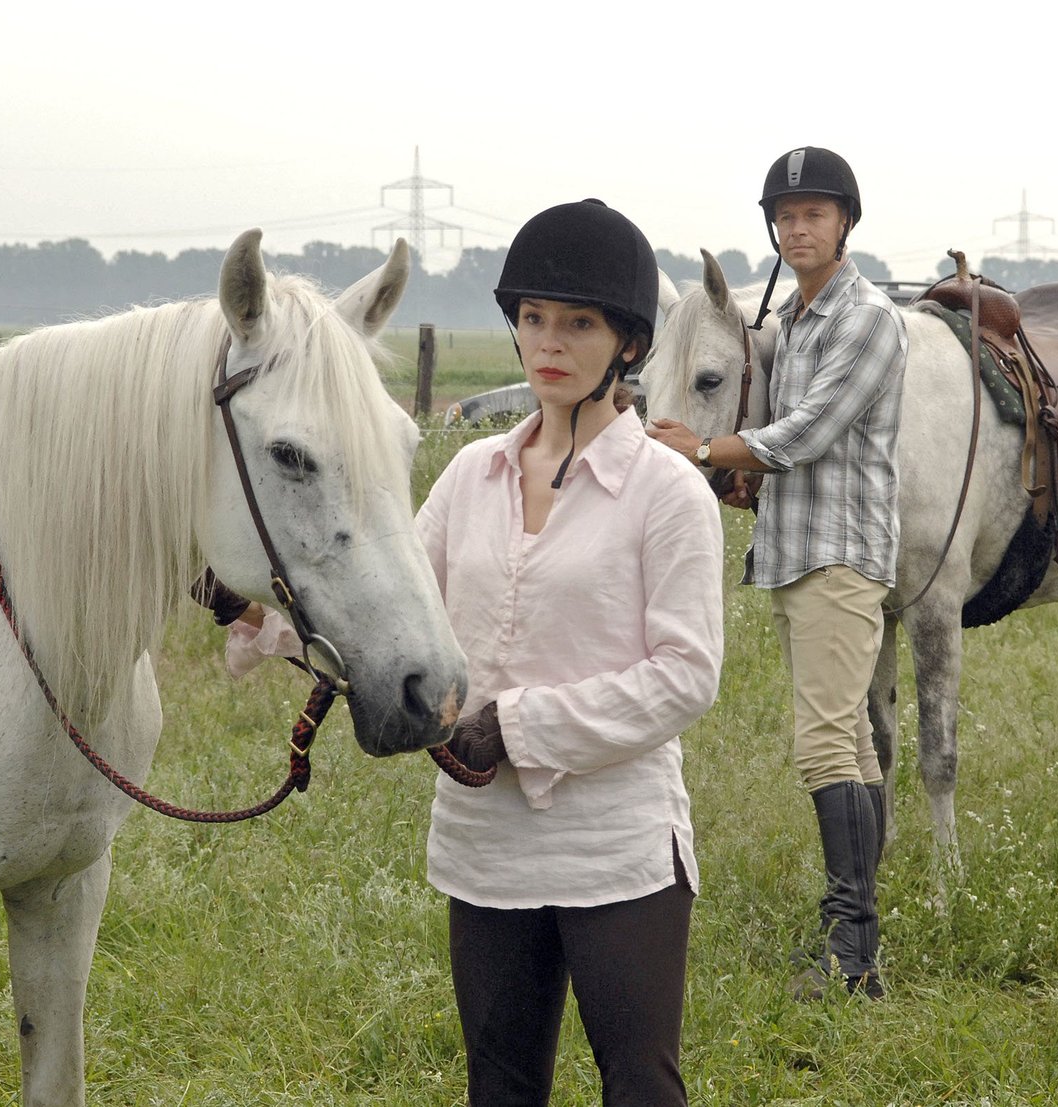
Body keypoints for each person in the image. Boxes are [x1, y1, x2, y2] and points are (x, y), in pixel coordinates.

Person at [225, 199, 725, 1105]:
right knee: (499, 1086)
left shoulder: (668, 492)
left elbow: (685, 675)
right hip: (487, 843)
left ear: (629, 344)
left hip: (616, 846)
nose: (549, 342)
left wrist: (518, 726)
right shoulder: (469, 475)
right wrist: (258, 617)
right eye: (533, 317)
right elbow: (395, 615)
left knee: (641, 1086)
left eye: (579, 323)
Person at [647, 147, 907, 1000]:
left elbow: (806, 432)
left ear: (845, 224)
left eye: (814, 215)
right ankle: (856, 934)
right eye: (786, 217)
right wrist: (737, 473)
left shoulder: (866, 319)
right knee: (852, 739)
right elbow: (777, 440)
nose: (799, 229)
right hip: (797, 552)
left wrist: (702, 449)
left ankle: (853, 953)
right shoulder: (791, 321)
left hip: (840, 553)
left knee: (823, 742)